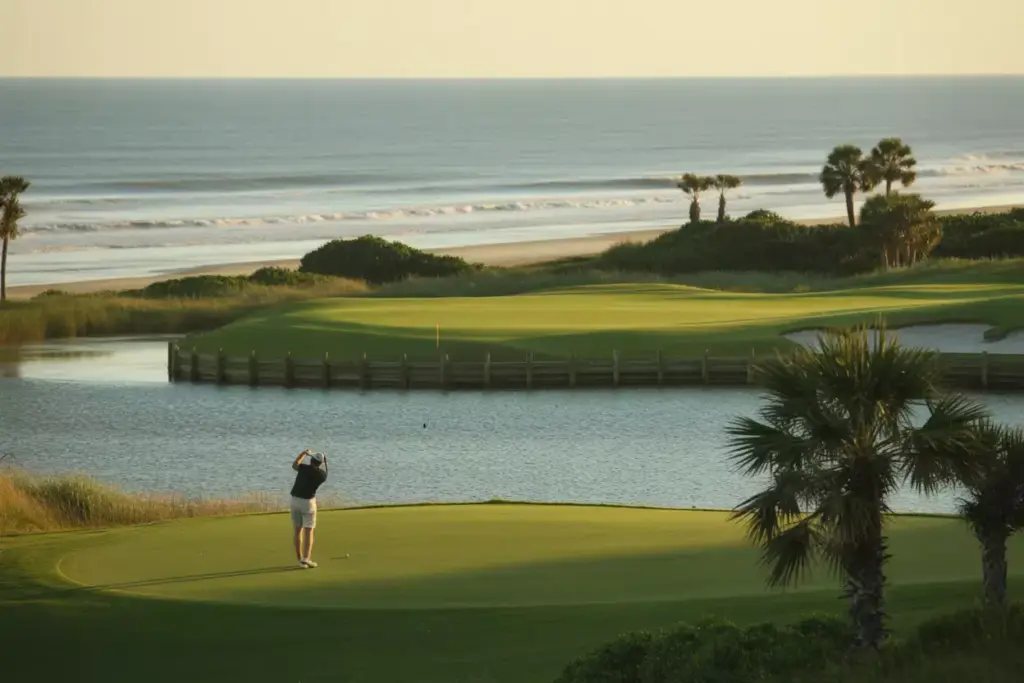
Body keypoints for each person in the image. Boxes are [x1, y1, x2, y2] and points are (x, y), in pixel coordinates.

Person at [290, 448, 328, 568]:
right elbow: (326, 471)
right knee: (309, 530)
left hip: (295, 500)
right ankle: (306, 559)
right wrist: (325, 461)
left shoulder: (303, 468)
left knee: (297, 530)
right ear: (320, 463)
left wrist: (303, 453)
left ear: (311, 460)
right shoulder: (322, 475)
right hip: (308, 503)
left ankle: (300, 559)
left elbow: (295, 465)